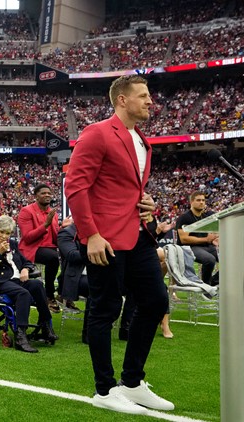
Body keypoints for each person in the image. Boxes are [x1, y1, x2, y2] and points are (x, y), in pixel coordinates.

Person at [64, 75, 173, 414]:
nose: (150, 101)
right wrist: (90, 234)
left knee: (156, 302)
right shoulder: (97, 133)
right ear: (122, 100)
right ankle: (104, 389)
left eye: (149, 95)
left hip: (137, 233)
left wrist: (147, 201)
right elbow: (76, 186)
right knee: (105, 309)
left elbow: (123, 187)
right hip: (104, 238)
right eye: (143, 95)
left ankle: (132, 382)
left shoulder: (142, 141)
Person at [0, 215, 58, 353]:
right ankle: (21, 336)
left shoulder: (13, 244)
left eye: (7, 233)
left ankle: (45, 326)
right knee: (23, 293)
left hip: (18, 280)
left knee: (38, 285)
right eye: (1, 232)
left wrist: (26, 269)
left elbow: (25, 260)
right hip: (0, 282)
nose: (4, 236)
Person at [17, 183, 74, 313]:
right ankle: (49, 295)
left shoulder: (51, 212)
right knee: (53, 258)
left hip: (51, 247)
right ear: (36, 196)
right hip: (32, 249)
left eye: (49, 193)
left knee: (71, 254)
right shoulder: (26, 211)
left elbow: (55, 235)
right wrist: (46, 224)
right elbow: (27, 238)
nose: (47, 195)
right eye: (43, 193)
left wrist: (63, 227)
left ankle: (63, 293)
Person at [176, 191, 219, 285]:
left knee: (229, 258)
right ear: (191, 202)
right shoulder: (184, 217)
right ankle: (206, 286)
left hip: (207, 246)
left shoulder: (206, 217)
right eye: (198, 200)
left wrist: (214, 239)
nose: (201, 202)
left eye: (203, 200)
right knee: (210, 260)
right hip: (189, 247)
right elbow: (184, 239)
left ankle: (212, 282)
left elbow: (211, 234)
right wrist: (206, 239)